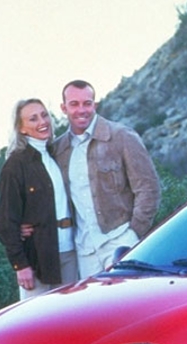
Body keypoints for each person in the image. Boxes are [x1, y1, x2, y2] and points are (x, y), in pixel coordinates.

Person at [53, 79, 161, 277]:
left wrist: (134, 234)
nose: (81, 110)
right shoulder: (59, 149)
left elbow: (148, 187)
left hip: (120, 241)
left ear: (95, 104)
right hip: (84, 250)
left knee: (128, 304)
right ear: (63, 108)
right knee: (93, 307)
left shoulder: (121, 136)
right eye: (74, 104)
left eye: (87, 103)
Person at [0, 99, 78, 299]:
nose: (42, 121)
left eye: (44, 115)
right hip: (37, 256)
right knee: (38, 320)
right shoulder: (15, 165)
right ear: (21, 128)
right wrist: (20, 265)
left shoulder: (55, 155)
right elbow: (6, 221)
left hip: (69, 251)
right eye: (33, 119)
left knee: (71, 318)